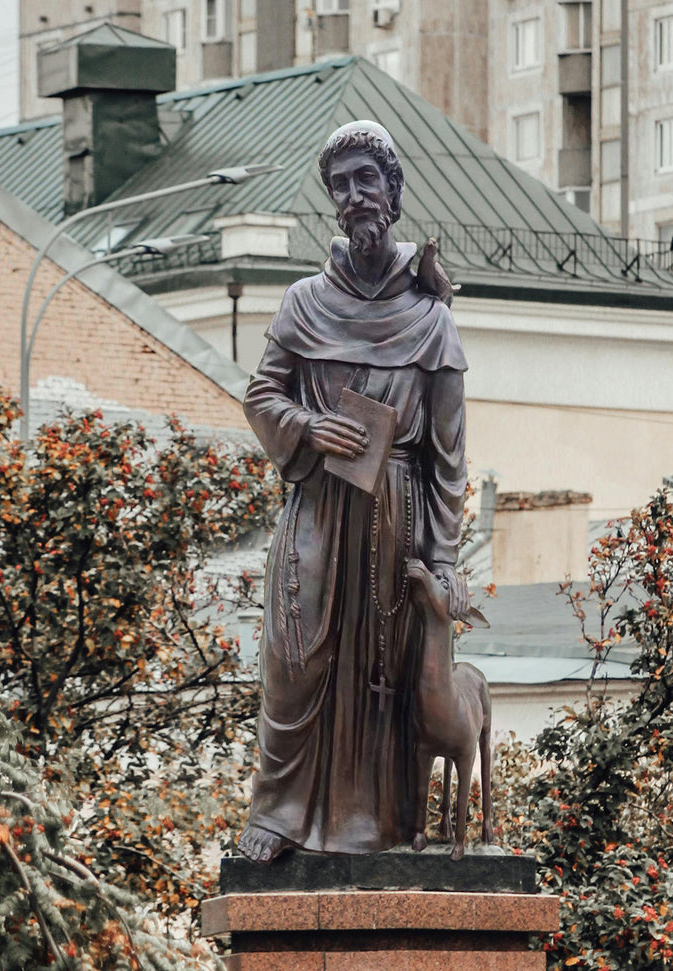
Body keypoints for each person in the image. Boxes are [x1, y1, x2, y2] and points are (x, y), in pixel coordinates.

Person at [236, 120, 469, 863]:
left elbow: (447, 458)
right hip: (317, 508)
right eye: (340, 186)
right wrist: (309, 426)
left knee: (385, 677)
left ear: (392, 189)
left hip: (393, 518)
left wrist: (445, 562)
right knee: (295, 658)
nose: (353, 197)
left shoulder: (432, 320)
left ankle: (378, 830)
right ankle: (278, 815)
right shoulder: (304, 301)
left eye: (366, 179)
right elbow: (260, 396)